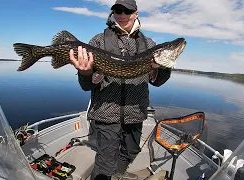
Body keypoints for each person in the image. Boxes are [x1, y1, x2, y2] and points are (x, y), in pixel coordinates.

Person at [69, 0, 173, 179]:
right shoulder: (98, 41)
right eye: (118, 10)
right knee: (105, 162)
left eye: (128, 11)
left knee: (131, 151)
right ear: (113, 12)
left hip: (136, 112)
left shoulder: (149, 44)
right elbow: (86, 86)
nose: (123, 15)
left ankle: (117, 175)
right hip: (106, 113)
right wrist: (85, 74)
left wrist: (163, 68)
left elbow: (157, 82)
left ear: (136, 13)